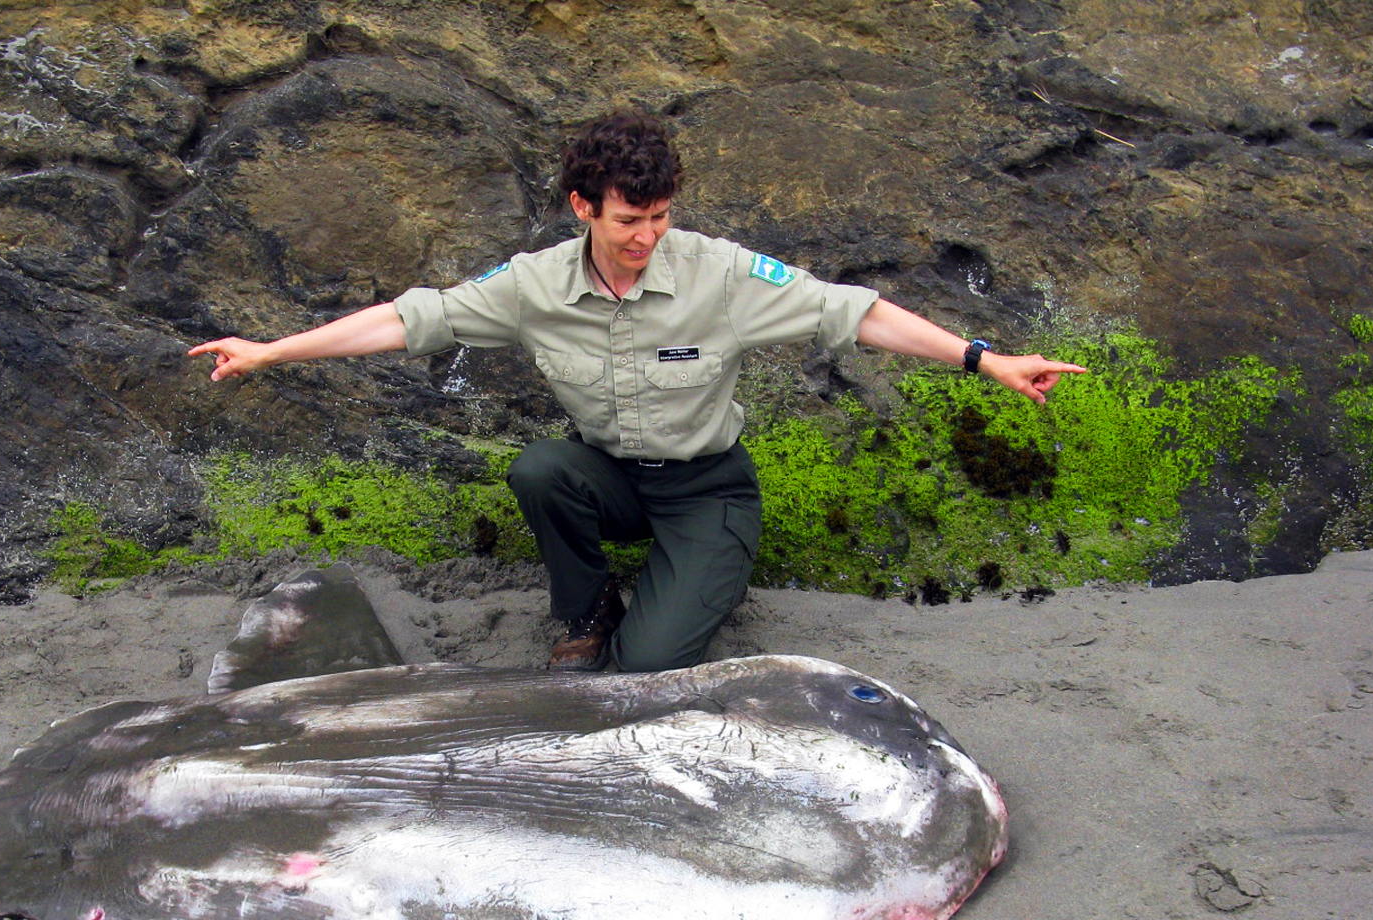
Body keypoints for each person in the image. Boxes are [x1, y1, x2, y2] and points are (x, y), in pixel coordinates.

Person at [191, 113, 1084, 673]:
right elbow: (408, 320)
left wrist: (983, 358)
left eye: (660, 218)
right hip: (611, 478)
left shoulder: (722, 274)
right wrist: (272, 352)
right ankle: (585, 611)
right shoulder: (534, 283)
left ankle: (677, 596)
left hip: (706, 488)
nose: (647, 238)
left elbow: (854, 313)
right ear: (584, 208)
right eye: (628, 220)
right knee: (542, 468)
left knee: (648, 667)